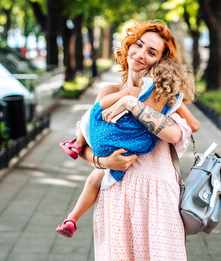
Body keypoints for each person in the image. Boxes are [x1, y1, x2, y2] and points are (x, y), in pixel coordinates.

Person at [74, 20, 195, 260]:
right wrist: (104, 163)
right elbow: (84, 146)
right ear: (129, 45)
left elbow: (172, 133)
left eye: (151, 52)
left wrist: (131, 102)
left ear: (162, 62)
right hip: (115, 198)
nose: (140, 54)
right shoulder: (108, 92)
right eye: (138, 45)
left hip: (157, 200)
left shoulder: (164, 96)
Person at [56, 57, 198, 238]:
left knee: (91, 115)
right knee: (97, 178)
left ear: (150, 76)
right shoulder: (174, 102)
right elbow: (194, 126)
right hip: (135, 147)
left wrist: (121, 103)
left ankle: (76, 146)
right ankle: (72, 217)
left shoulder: (138, 91)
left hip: (109, 139)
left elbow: (103, 105)